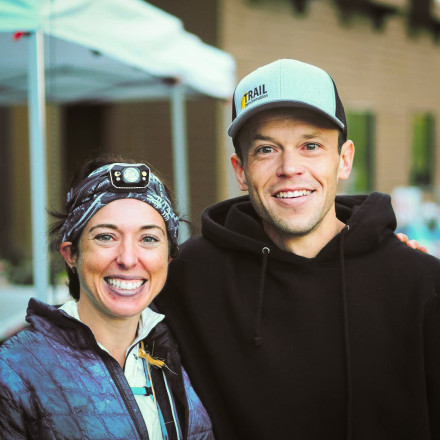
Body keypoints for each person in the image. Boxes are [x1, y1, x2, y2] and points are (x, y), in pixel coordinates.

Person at [156, 59, 440, 439]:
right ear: (240, 170)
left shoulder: (419, 284)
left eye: (310, 145)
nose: (290, 167)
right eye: (266, 149)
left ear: (344, 159)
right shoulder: (189, 276)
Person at [0, 157, 214, 440]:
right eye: (106, 237)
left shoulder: (186, 354)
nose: (127, 259)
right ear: (71, 254)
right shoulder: (14, 370)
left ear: (169, 256)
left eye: (148, 239)